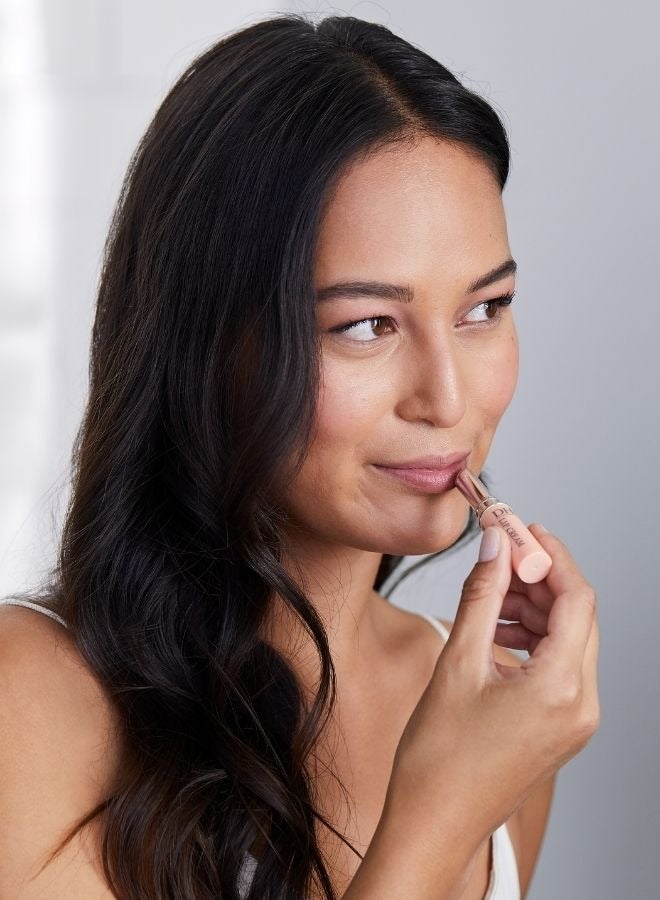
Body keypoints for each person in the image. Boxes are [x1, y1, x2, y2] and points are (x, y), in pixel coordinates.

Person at [0, 13, 600, 900]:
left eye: (484, 310)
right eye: (366, 325)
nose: (448, 399)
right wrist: (438, 817)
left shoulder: (499, 716)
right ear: (206, 346)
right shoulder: (29, 700)